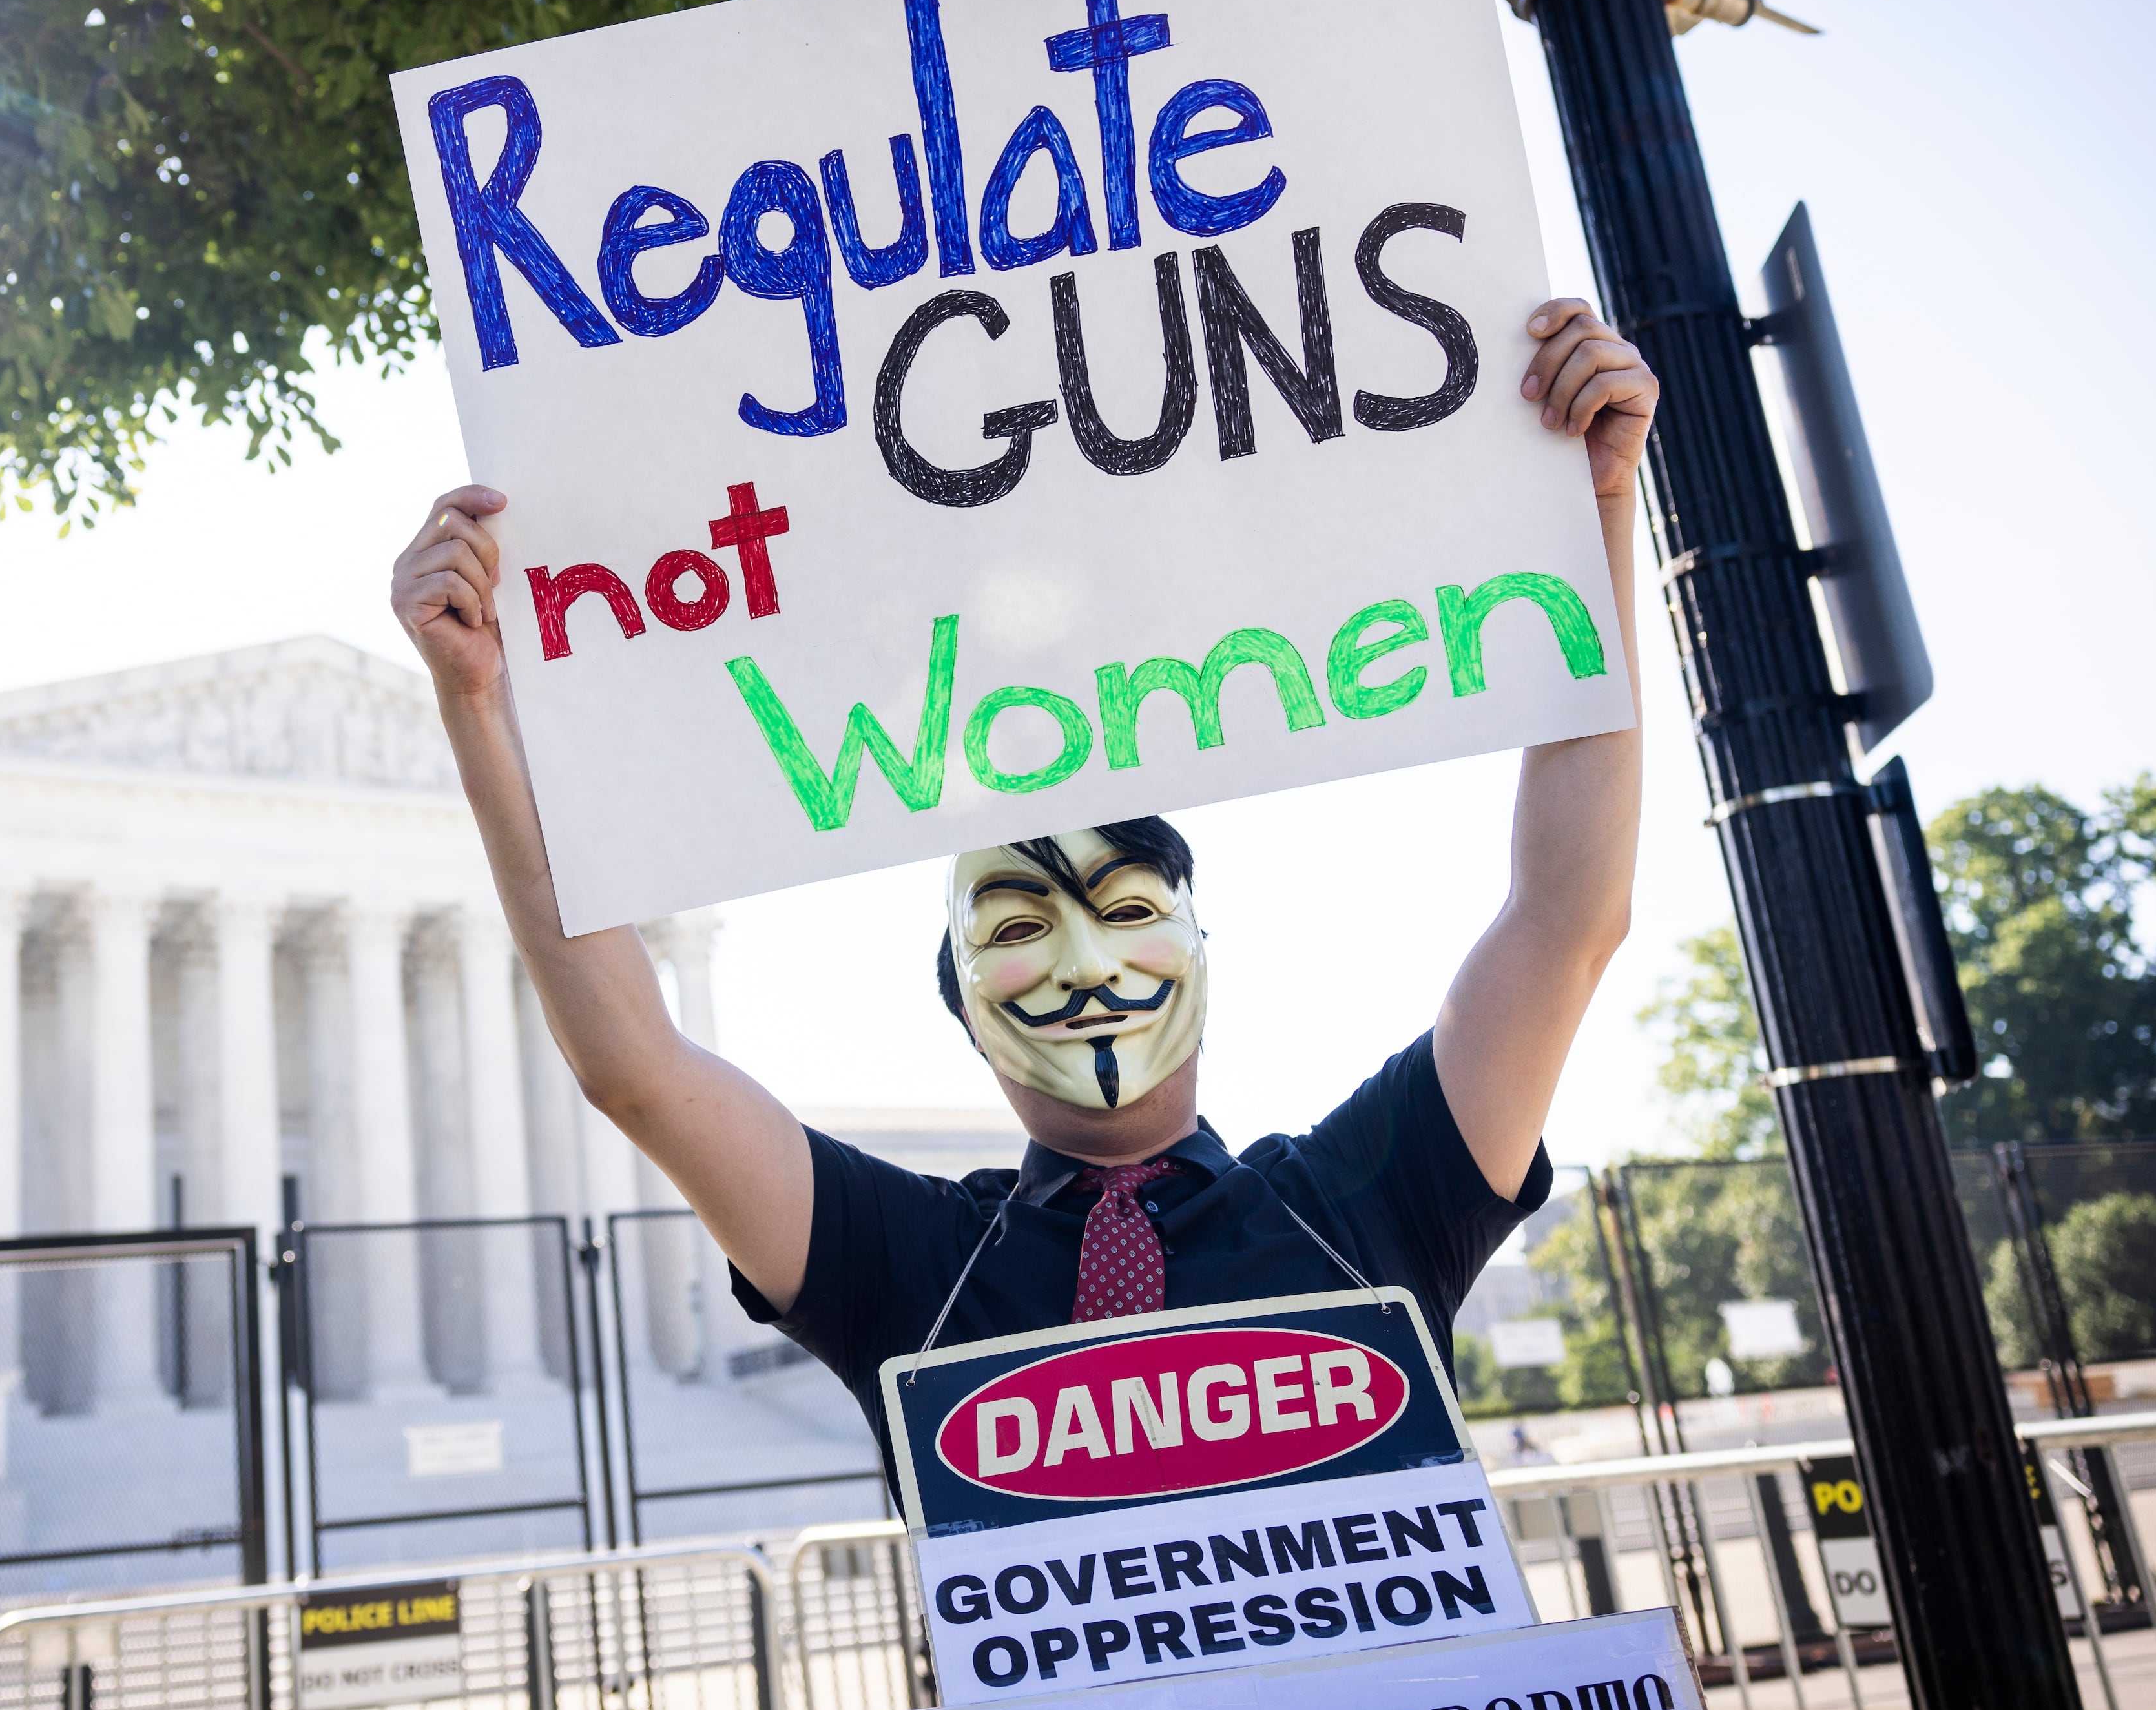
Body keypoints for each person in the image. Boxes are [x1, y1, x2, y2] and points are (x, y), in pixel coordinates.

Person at [391, 297, 1658, 1455]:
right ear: (962, 1005)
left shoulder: (1368, 1199)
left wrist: (1590, 511)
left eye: (1126, 909)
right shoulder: (901, 1265)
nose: (1088, 966)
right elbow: (637, 1072)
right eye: (1014, 924)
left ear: (1202, 947)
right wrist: (481, 712)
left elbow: (1565, 920)